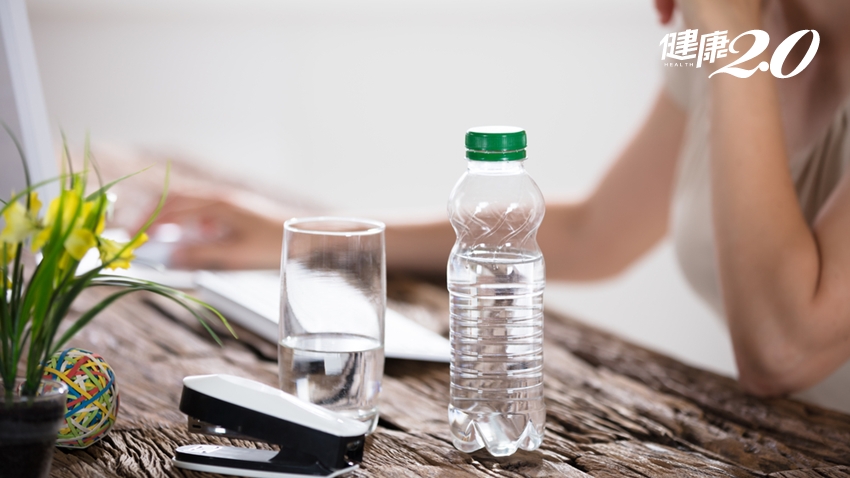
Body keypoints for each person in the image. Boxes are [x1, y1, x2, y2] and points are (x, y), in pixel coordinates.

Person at [151, 0, 850, 411]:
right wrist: (314, 238)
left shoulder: (727, 24)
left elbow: (784, 351)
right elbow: (593, 234)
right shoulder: (735, 26)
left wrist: (729, 26)